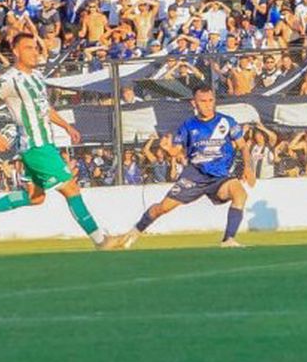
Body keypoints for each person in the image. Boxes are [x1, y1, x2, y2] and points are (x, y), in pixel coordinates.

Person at [0, 33, 115, 248]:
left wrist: (66, 126)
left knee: (36, 197)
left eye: (35, 47)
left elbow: (45, 109)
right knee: (70, 188)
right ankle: (101, 241)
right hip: (36, 146)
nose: (34, 52)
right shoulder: (9, 80)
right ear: (16, 52)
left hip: (43, 143)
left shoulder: (36, 77)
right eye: (28, 48)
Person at [109, 85, 255, 249]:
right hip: (195, 176)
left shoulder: (226, 122)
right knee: (162, 208)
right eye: (203, 101)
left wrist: (248, 167)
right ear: (194, 103)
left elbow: (242, 146)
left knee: (240, 194)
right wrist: (166, 149)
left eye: (210, 101)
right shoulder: (188, 126)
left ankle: (228, 239)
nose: (208, 104)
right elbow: (176, 152)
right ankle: (132, 235)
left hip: (221, 177)